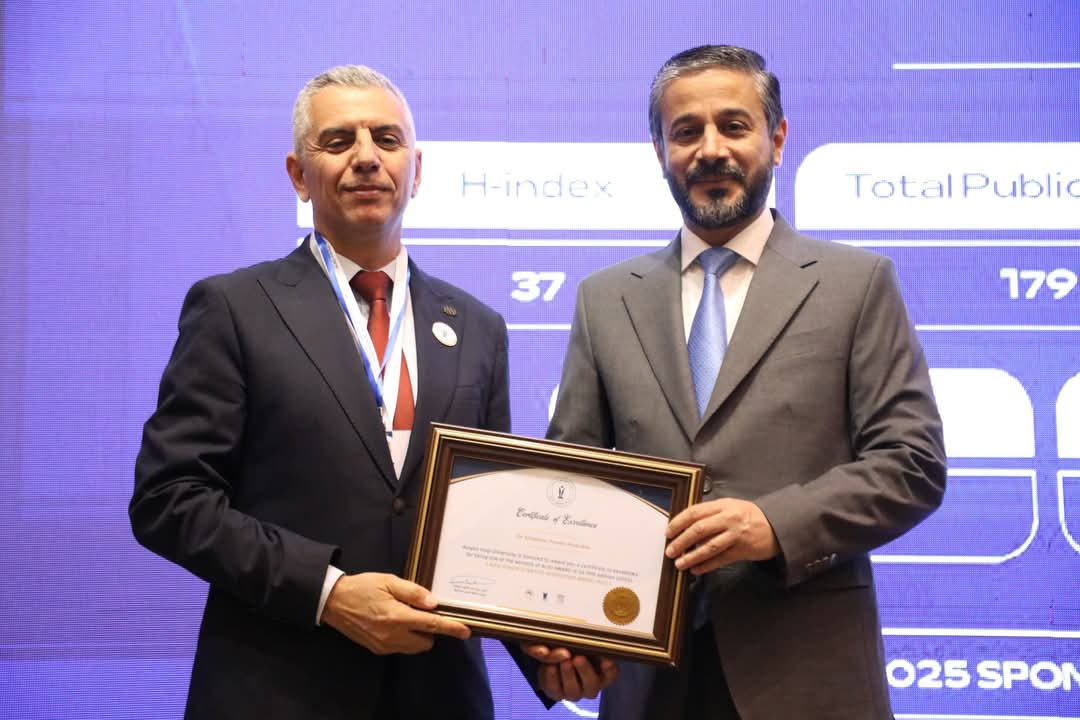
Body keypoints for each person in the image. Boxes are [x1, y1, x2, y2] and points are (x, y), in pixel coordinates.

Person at [537, 45, 947, 718]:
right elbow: (572, 486)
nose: (710, 150)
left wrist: (773, 524)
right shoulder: (604, 299)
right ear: (660, 151)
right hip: (646, 676)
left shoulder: (856, 284)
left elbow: (912, 465)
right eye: (686, 132)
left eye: (734, 126)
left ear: (776, 140)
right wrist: (560, 637)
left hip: (806, 675)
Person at [130, 65, 514, 719]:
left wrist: (551, 649)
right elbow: (170, 499)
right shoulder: (235, 308)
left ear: (416, 169)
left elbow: (492, 511)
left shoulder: (478, 326)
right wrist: (328, 593)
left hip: (440, 695)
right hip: (278, 692)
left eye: (387, 139)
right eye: (339, 141)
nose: (366, 157)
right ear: (299, 175)